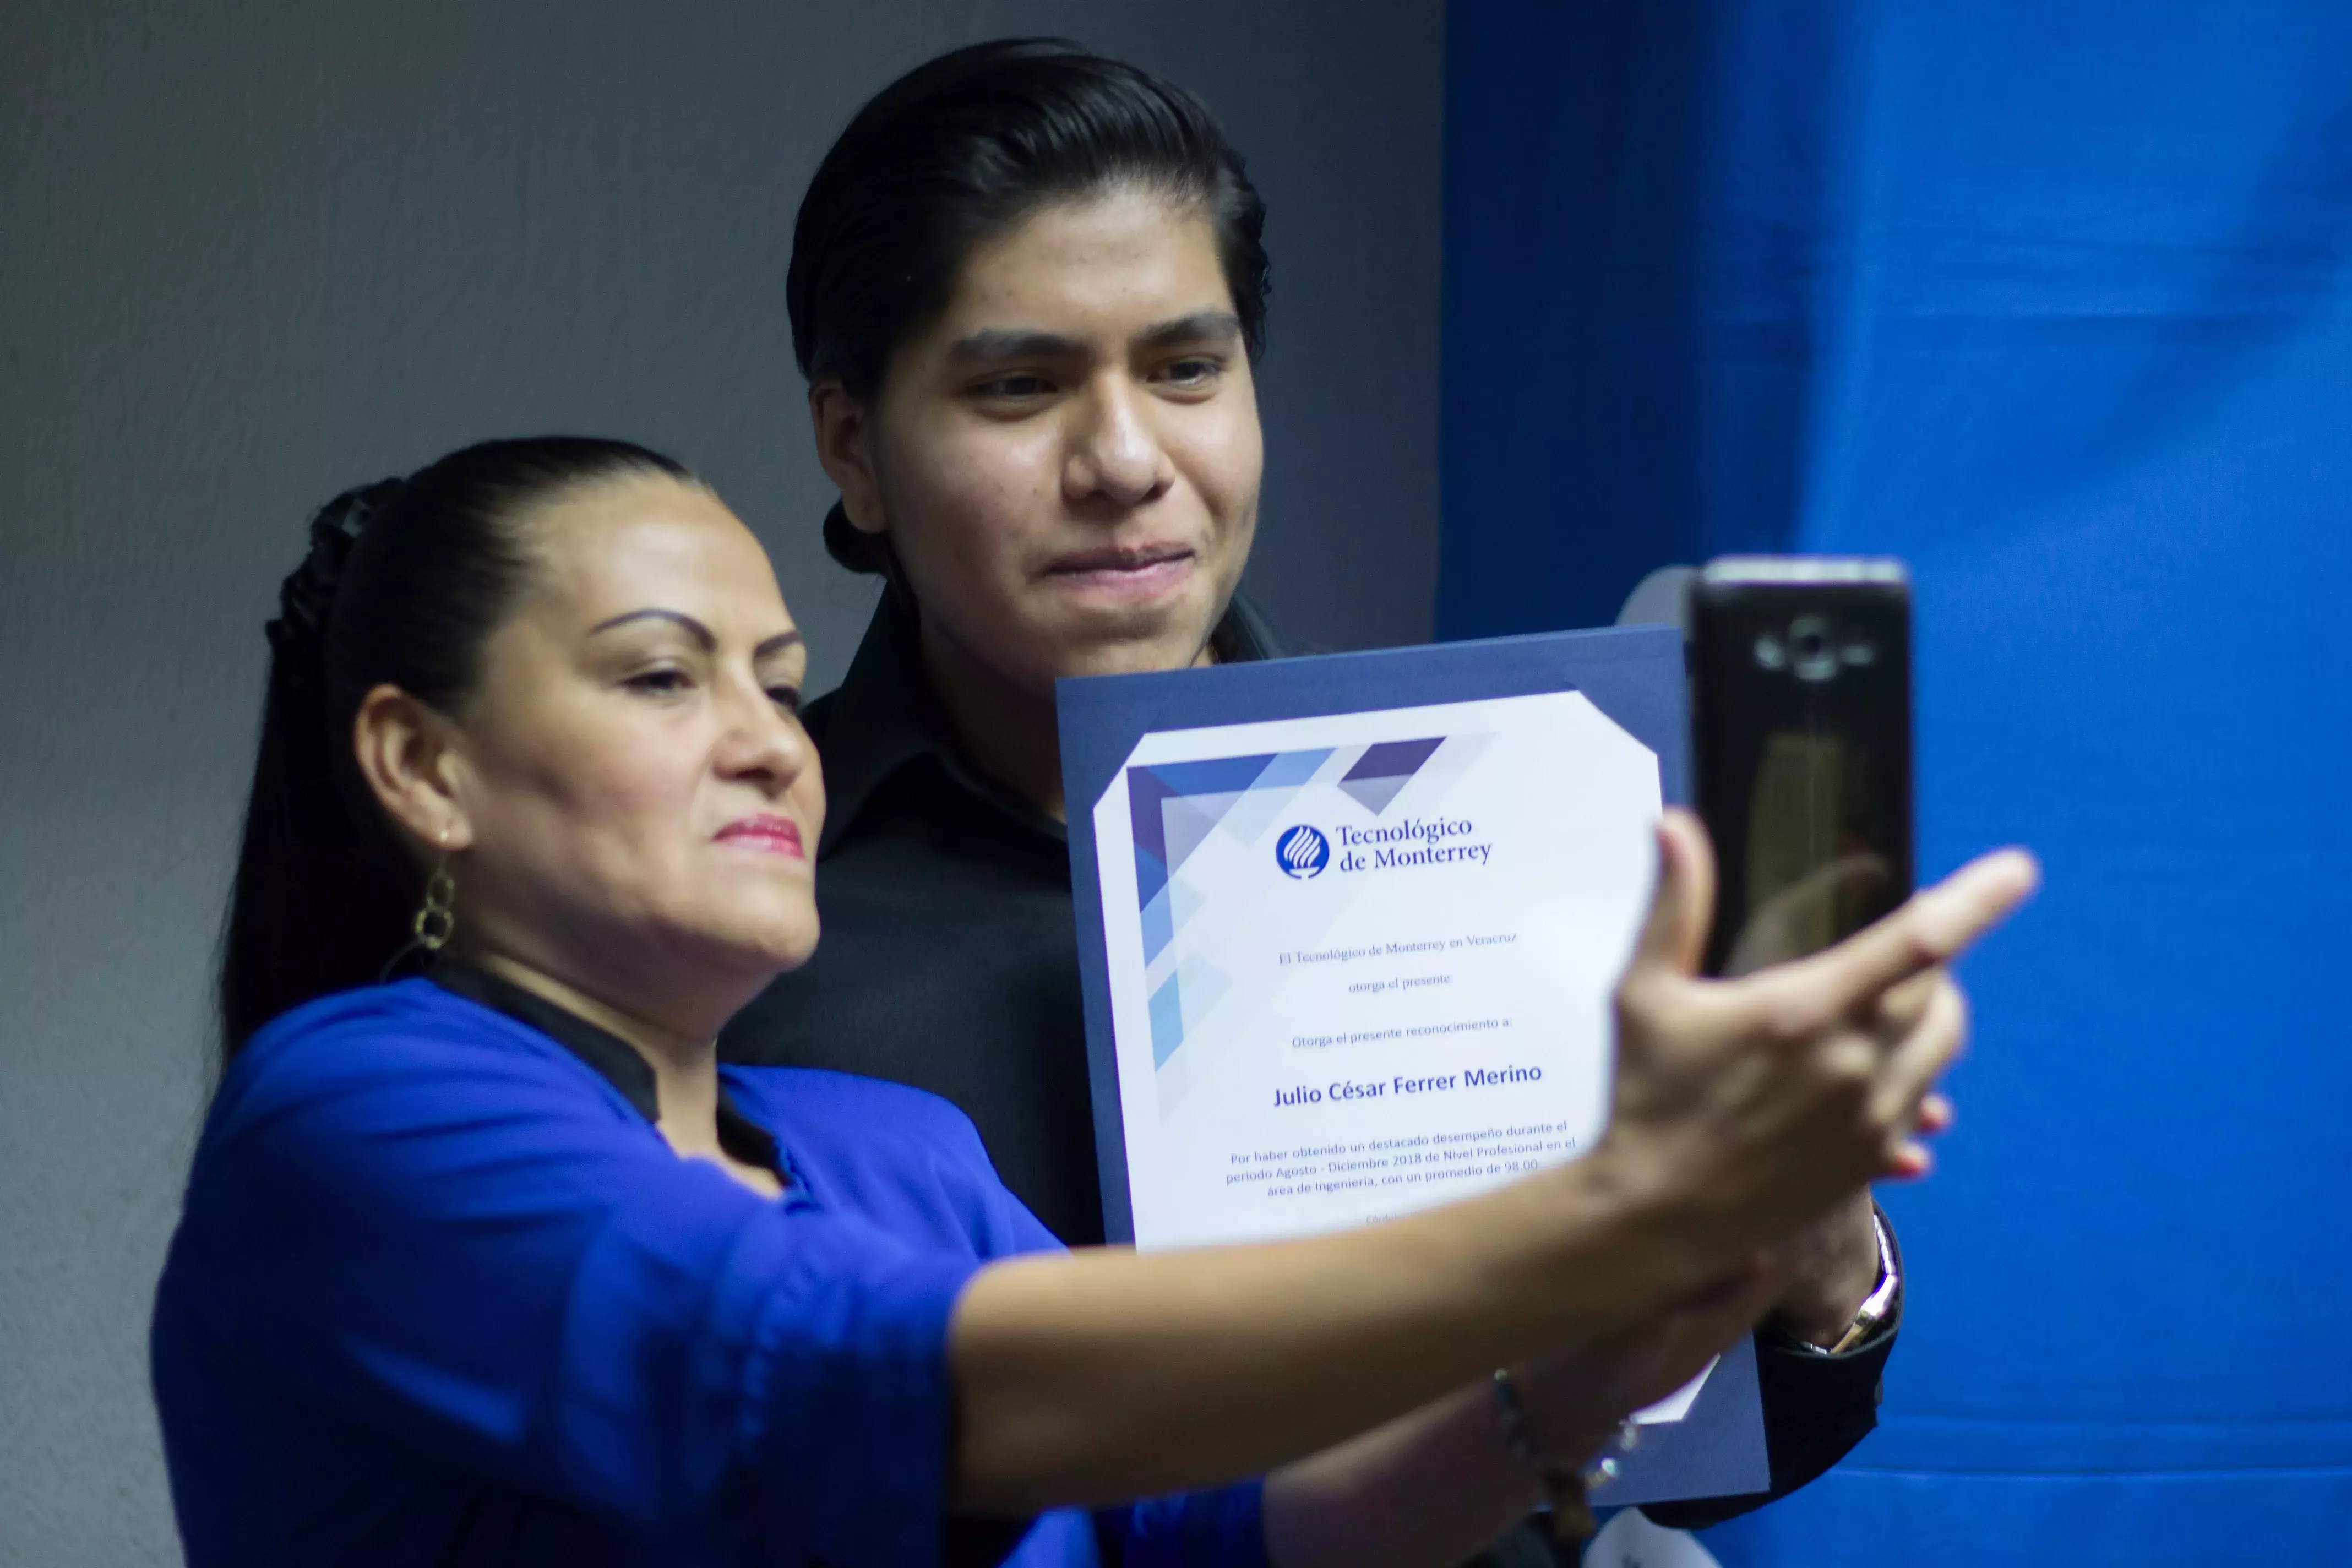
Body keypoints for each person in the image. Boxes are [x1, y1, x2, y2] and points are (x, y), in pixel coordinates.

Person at [151, 435, 2031, 1566]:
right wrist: (1621, 1205)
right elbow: (864, 1384)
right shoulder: (359, 1114)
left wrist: (1648, 1318)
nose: (767, 741)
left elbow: (1218, 1533)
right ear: (423, 767)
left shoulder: (894, 1151)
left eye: (779, 677)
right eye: (662, 680)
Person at [720, 40, 1904, 1533]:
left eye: (1185, 369)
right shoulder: (737, 904)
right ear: (855, 448)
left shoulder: (1507, 809)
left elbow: (1715, 1450)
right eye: (1021, 387)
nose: (1125, 459)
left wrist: (1817, 1259)